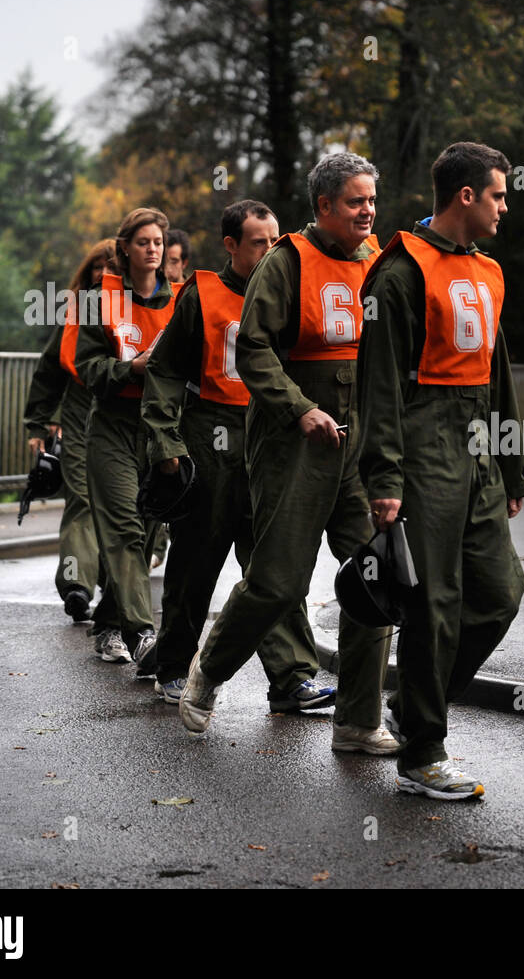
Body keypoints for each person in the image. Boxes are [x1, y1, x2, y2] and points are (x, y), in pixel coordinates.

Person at [179, 155, 397, 754]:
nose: (368, 211)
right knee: (277, 581)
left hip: (360, 444)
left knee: (372, 580)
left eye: (372, 200)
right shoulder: (287, 261)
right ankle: (209, 670)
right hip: (295, 440)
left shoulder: (381, 262)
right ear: (324, 205)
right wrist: (300, 408)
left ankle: (357, 719)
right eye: (356, 201)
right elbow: (253, 350)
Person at [355, 141, 524, 800]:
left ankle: (414, 709)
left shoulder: (487, 271)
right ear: (466, 197)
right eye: (497, 195)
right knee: (433, 605)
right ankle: (424, 751)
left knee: (498, 593)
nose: (504, 207)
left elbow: (498, 373)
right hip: (423, 445)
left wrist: (511, 469)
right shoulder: (399, 275)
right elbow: (379, 388)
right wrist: (386, 480)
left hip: (478, 446)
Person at [142, 198, 333, 711]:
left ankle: (292, 677)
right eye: (258, 242)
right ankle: (174, 664)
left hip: (272, 433)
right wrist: (166, 442)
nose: (271, 250)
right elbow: (164, 370)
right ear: (231, 245)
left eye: (275, 240)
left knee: (277, 560)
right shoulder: (200, 294)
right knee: (197, 558)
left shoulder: (290, 289)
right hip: (212, 434)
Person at [75, 208, 175, 669]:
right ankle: (142, 633)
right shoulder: (101, 299)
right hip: (114, 425)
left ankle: (111, 623)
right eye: (143, 242)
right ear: (125, 249)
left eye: (158, 241)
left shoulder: (184, 298)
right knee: (124, 530)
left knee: (149, 527)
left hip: (161, 429)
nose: (152, 249)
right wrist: (130, 368)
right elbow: (86, 367)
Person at [22, 238, 114, 622]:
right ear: (87, 273)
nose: (104, 274)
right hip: (79, 411)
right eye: (97, 267)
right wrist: (38, 423)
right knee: (81, 498)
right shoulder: (74, 314)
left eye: (112, 268)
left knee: (118, 505)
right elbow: (49, 370)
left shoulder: (142, 307)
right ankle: (77, 585)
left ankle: (115, 583)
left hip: (125, 410)